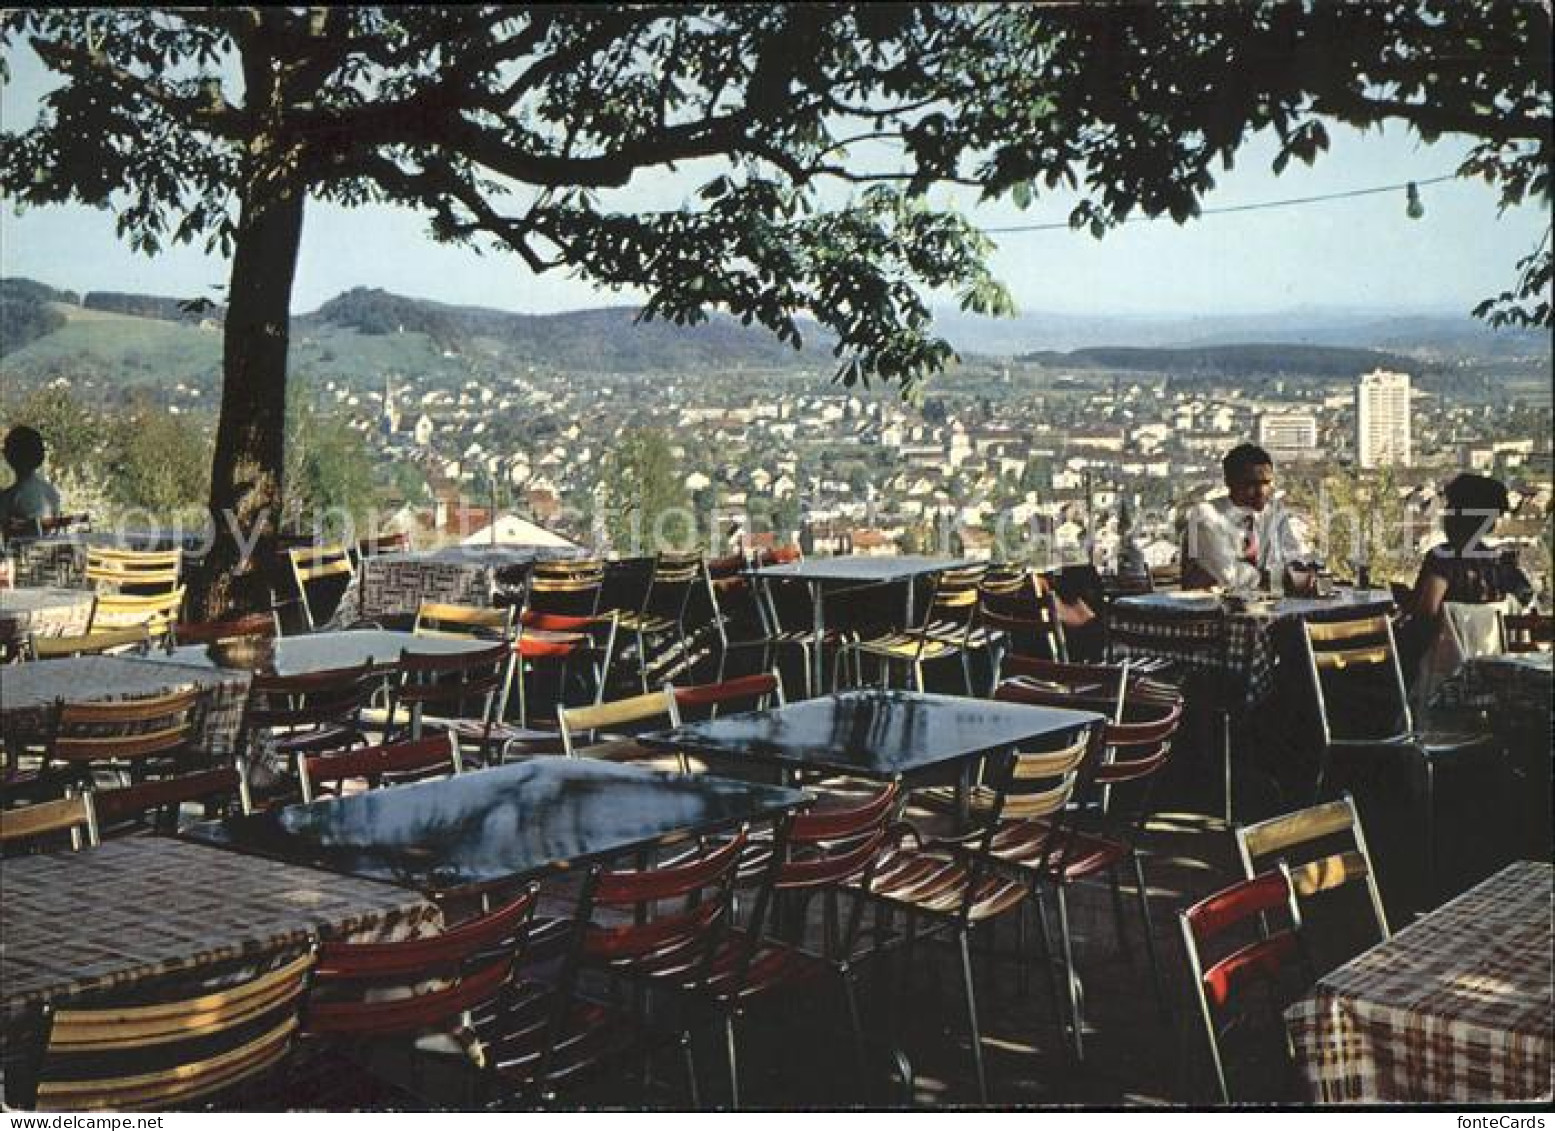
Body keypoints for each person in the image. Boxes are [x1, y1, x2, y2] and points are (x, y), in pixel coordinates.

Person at [1398, 473, 1532, 701]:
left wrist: (1406, 605)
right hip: (1492, 677)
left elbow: (1426, 615)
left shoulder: (1443, 559)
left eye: (1450, 507)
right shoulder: (1501, 563)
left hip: (1440, 677)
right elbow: (1524, 601)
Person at [1180, 443, 1309, 591]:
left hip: (1262, 607)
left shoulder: (1272, 512)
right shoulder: (1206, 516)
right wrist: (1281, 577)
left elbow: (1292, 554)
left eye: (1266, 483)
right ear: (1230, 482)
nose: (1261, 491)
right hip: (1209, 610)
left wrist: (1296, 568)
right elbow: (1230, 576)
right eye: (1251, 484)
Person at [0, 425, 63, 536]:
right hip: (48, 551)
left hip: (19, 551)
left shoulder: (9, 498)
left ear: (10, 456)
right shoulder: (51, 491)